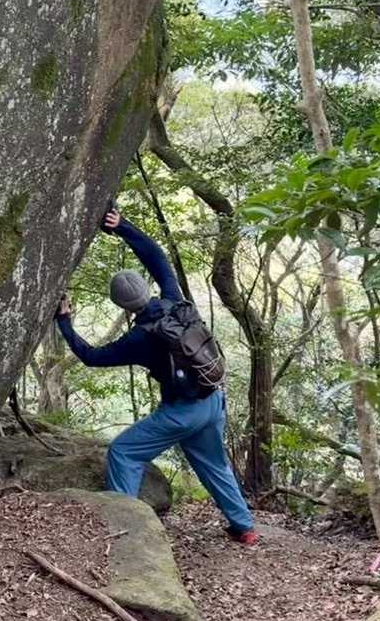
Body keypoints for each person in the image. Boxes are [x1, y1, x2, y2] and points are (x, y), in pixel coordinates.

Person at [55, 207, 258, 545]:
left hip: (182, 412)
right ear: (147, 288)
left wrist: (64, 322)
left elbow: (91, 357)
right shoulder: (175, 301)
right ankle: (245, 527)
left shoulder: (139, 338)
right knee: (213, 463)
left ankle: (123, 528)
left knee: (123, 452)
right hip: (213, 398)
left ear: (122, 305)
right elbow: (157, 257)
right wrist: (122, 226)